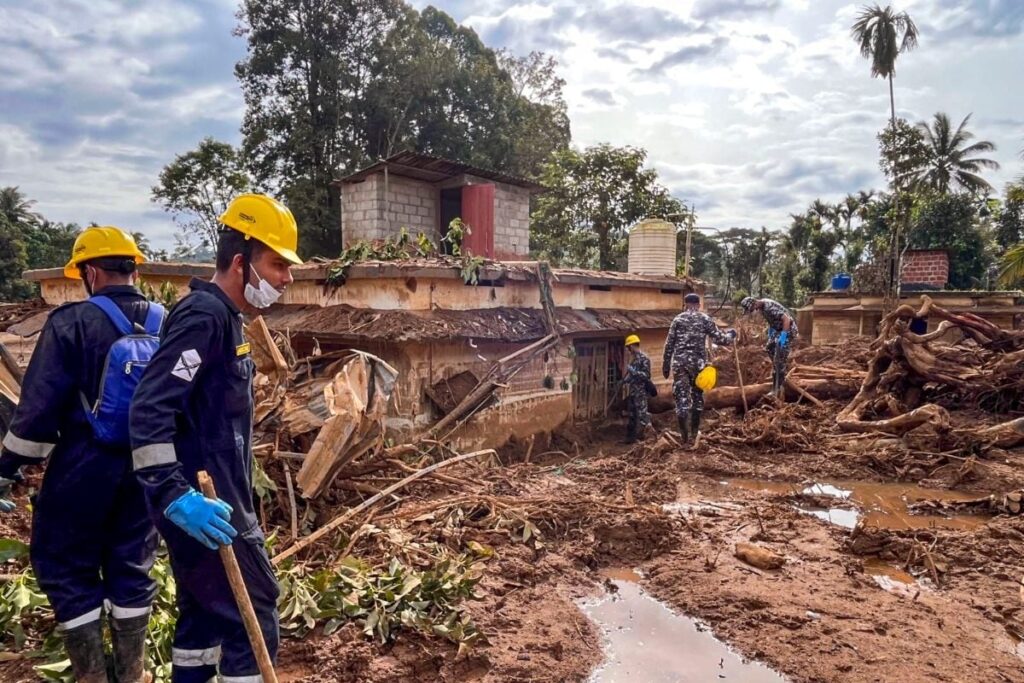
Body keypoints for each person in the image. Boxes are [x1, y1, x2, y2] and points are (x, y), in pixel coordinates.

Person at [130, 194, 301, 683]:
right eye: (276, 265)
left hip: (215, 504)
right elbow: (150, 407)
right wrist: (174, 495)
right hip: (206, 509)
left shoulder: (227, 319)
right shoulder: (204, 317)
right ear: (242, 262)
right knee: (256, 616)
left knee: (203, 616)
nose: (285, 279)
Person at [0, 227, 160, 683]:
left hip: (83, 467)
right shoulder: (167, 322)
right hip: (149, 468)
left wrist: (8, 468)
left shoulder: (71, 322)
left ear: (90, 271)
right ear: (133, 267)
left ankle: (92, 676)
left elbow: (37, 410)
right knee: (133, 562)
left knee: (66, 563)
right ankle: (131, 674)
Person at [662, 293, 736, 444]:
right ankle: (694, 433)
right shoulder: (704, 319)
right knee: (697, 398)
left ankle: (684, 437)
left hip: (680, 364)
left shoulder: (678, 319)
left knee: (681, 399)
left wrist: (665, 364)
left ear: (685, 304)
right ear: (698, 304)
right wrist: (731, 335)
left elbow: (669, 344)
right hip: (698, 364)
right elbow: (720, 339)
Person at [739, 296, 798, 396]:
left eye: (752, 309)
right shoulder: (762, 307)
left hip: (788, 329)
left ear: (754, 304)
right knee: (770, 348)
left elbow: (786, 320)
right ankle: (778, 366)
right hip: (778, 329)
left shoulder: (769, 307)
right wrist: (771, 330)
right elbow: (773, 320)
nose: (753, 311)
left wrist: (783, 336)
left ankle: (779, 385)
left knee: (779, 353)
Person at [622, 334, 652, 444]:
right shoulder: (633, 359)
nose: (628, 350)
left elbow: (646, 376)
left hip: (641, 392)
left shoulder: (644, 359)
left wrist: (633, 372)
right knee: (632, 416)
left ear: (633, 345)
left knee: (643, 415)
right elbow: (633, 376)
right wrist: (626, 380)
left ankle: (650, 439)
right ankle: (630, 439)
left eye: (628, 347)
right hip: (633, 391)